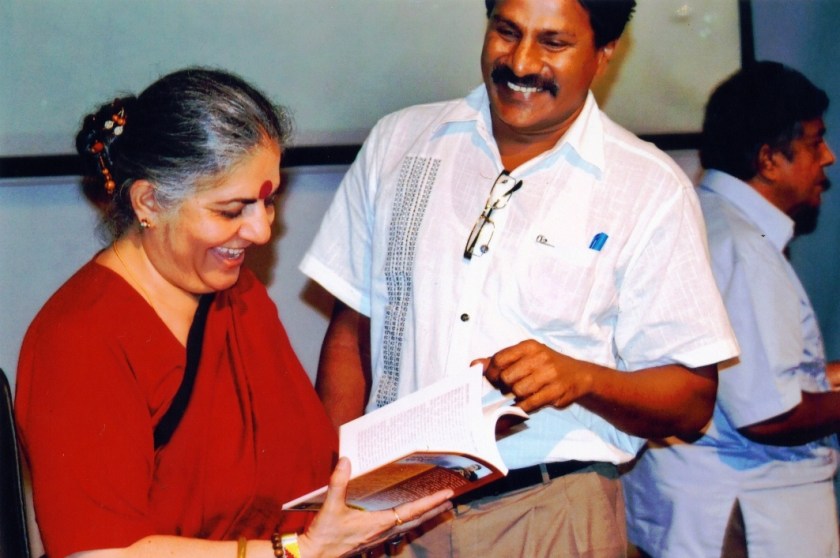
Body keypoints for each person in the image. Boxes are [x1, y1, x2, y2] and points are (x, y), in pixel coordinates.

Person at [300, 0, 739, 555]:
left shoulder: (648, 187)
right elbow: (352, 329)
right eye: (507, 32)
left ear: (605, 53)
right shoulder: (400, 142)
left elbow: (692, 401)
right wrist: (337, 492)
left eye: (553, 43)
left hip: (549, 512)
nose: (522, 62)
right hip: (392, 514)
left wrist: (584, 378)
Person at [14, 67, 452, 558]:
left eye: (269, 201)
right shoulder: (80, 340)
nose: (261, 231)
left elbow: (304, 465)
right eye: (231, 210)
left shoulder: (235, 294)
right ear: (149, 202)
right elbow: (100, 553)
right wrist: (298, 551)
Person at [622, 61, 840, 557]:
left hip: (704, 506)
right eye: (815, 143)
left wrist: (823, 376)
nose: (828, 158)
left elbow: (741, 378)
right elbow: (769, 415)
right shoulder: (743, 248)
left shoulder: (704, 218)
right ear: (769, 159)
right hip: (748, 517)